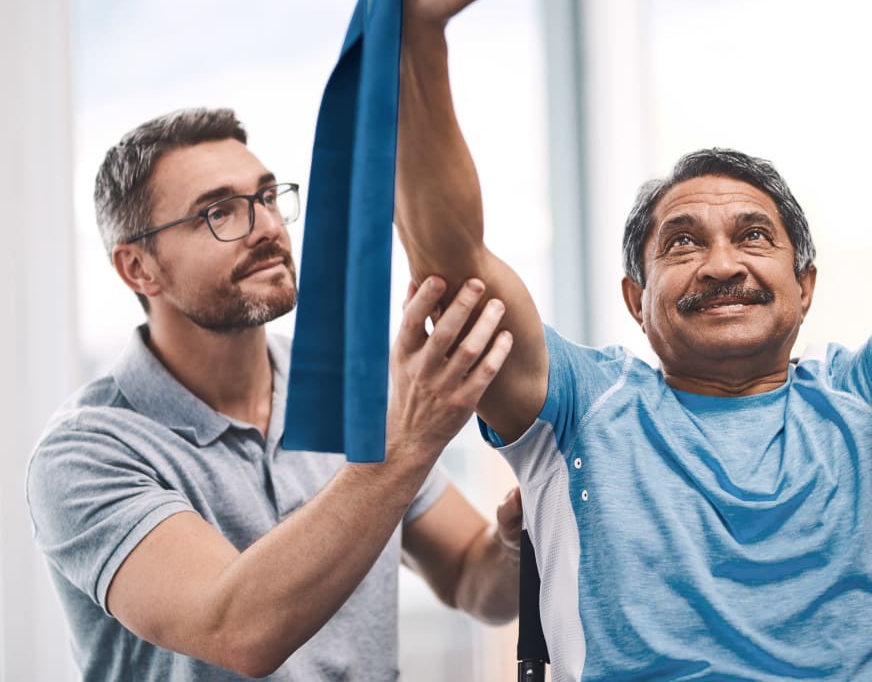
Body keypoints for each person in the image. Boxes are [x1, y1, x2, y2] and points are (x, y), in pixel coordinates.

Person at [381, 0, 872, 682]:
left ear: (805, 287)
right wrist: (419, 36)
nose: (721, 264)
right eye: (683, 243)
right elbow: (451, 261)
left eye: (754, 237)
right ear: (636, 298)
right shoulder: (578, 411)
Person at [25, 108, 521, 680]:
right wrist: (408, 441)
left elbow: (467, 577)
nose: (267, 228)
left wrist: (514, 547)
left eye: (267, 197)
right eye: (219, 212)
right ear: (138, 268)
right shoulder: (85, 454)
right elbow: (239, 632)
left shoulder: (348, 390)